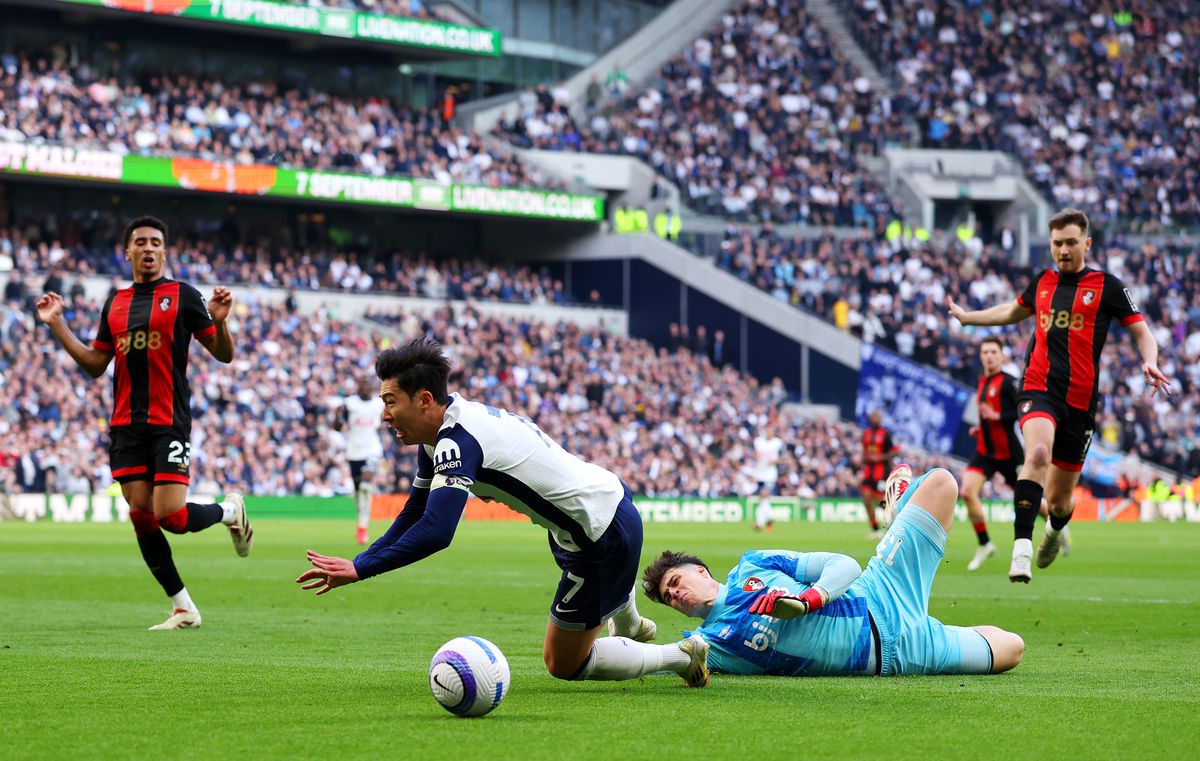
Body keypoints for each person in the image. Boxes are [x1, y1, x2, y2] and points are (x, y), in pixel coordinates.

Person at [296, 338, 709, 687]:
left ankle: (680, 655)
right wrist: (360, 561)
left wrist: (362, 569)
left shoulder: (457, 441)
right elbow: (414, 512)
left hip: (599, 534)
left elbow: (437, 531)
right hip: (596, 505)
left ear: (424, 400)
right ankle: (631, 622)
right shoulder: (446, 427)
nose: (384, 416)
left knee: (563, 664)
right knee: (567, 549)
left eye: (390, 402)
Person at [35, 215, 252, 630]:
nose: (149, 248)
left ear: (164, 252)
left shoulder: (183, 295)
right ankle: (184, 607)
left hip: (169, 421)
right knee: (140, 513)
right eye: (141, 242)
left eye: (156, 242)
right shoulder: (115, 303)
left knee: (169, 515)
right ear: (128, 251)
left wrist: (220, 321)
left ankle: (230, 510)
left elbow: (224, 354)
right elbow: (96, 364)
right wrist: (58, 325)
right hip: (124, 426)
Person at [947, 208, 1171, 582]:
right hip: (1038, 388)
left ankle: (1053, 530)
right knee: (1036, 452)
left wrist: (1150, 361)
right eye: (1056, 244)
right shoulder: (1042, 283)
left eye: (1070, 242)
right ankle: (1020, 550)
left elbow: (1142, 332)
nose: (1063, 250)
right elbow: (1010, 312)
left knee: (1060, 502)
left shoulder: (1108, 287)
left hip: (1081, 403)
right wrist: (969, 317)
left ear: (1087, 243)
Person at [642, 466, 1024, 678]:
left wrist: (808, 600)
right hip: (899, 656)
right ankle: (937, 626)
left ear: (702, 571)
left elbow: (845, 566)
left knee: (941, 481)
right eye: (668, 599)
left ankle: (895, 514)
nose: (674, 595)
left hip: (879, 591)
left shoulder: (754, 564)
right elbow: (655, 661)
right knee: (1012, 648)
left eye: (675, 582)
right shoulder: (712, 645)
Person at [962, 338, 1069, 571]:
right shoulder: (982, 382)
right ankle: (984, 544)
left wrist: (996, 417)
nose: (988, 356)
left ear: (1001, 356)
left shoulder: (1010, 382)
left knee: (1028, 499)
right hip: (984, 451)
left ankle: (1056, 526)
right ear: (980, 356)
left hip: (1009, 453)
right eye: (985, 352)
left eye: (993, 351)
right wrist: (981, 427)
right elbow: (987, 415)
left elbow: (1023, 411)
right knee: (967, 491)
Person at [344, 376, 385, 544]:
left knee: (366, 485)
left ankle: (362, 527)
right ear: (358, 388)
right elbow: (338, 426)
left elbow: (387, 419)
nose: (365, 389)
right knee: (358, 491)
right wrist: (338, 418)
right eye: (362, 386)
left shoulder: (378, 404)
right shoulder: (349, 403)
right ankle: (361, 518)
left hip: (372, 450)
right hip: (354, 451)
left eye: (367, 386)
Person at [860, 410, 898, 540]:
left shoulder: (886, 434)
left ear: (880, 419)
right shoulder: (866, 434)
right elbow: (864, 452)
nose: (875, 419)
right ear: (870, 419)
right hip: (868, 472)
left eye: (877, 416)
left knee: (879, 500)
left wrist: (880, 457)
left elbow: (894, 452)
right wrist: (864, 460)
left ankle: (894, 518)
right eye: (873, 417)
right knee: (866, 497)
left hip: (882, 472)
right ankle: (875, 529)